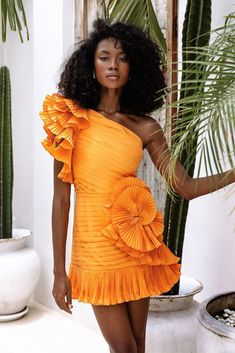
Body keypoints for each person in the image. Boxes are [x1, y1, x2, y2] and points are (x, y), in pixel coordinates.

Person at [40, 18, 235, 353]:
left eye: (122, 58)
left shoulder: (145, 127)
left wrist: (233, 173)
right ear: (91, 63)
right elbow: (61, 200)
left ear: (135, 66)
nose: (113, 65)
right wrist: (59, 273)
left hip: (135, 246)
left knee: (139, 345)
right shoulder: (69, 118)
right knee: (124, 347)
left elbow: (183, 186)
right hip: (96, 250)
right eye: (104, 57)